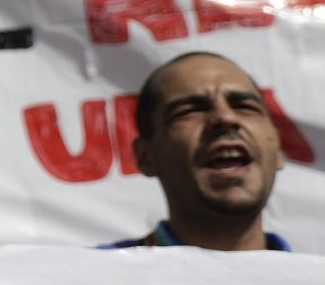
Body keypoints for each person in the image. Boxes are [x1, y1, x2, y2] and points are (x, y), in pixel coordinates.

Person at [103, 51, 293, 252]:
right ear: (145, 157)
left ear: (278, 148)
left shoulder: (312, 280)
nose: (225, 118)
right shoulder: (90, 278)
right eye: (190, 110)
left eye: (245, 107)